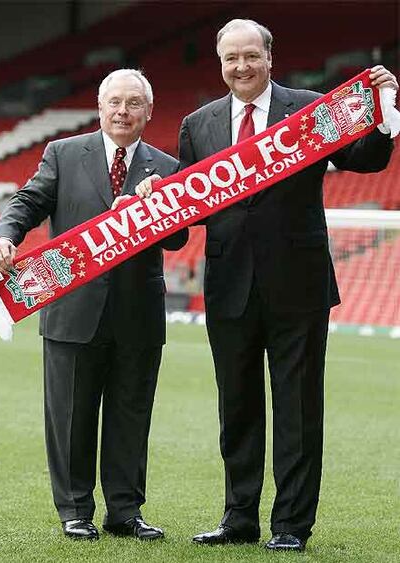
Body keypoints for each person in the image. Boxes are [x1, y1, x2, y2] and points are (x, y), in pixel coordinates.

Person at [133, 19, 397, 551]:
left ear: (270, 58)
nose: (242, 67)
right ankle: (239, 520)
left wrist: (386, 115)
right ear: (221, 64)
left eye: (251, 56)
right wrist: (154, 198)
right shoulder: (198, 124)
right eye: (231, 58)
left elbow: (364, 160)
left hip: (298, 284)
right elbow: (190, 210)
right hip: (229, 284)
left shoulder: (309, 108)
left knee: (298, 410)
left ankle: (292, 527)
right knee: (237, 408)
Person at [0, 69, 188, 541]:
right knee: (71, 418)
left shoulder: (168, 167)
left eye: (133, 103)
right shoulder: (62, 153)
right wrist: (3, 237)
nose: (123, 112)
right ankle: (74, 511)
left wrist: (158, 209)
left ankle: (125, 512)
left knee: (131, 416)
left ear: (148, 111)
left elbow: (179, 238)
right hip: (71, 312)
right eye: (114, 102)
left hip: (137, 315)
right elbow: (27, 201)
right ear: (100, 108)